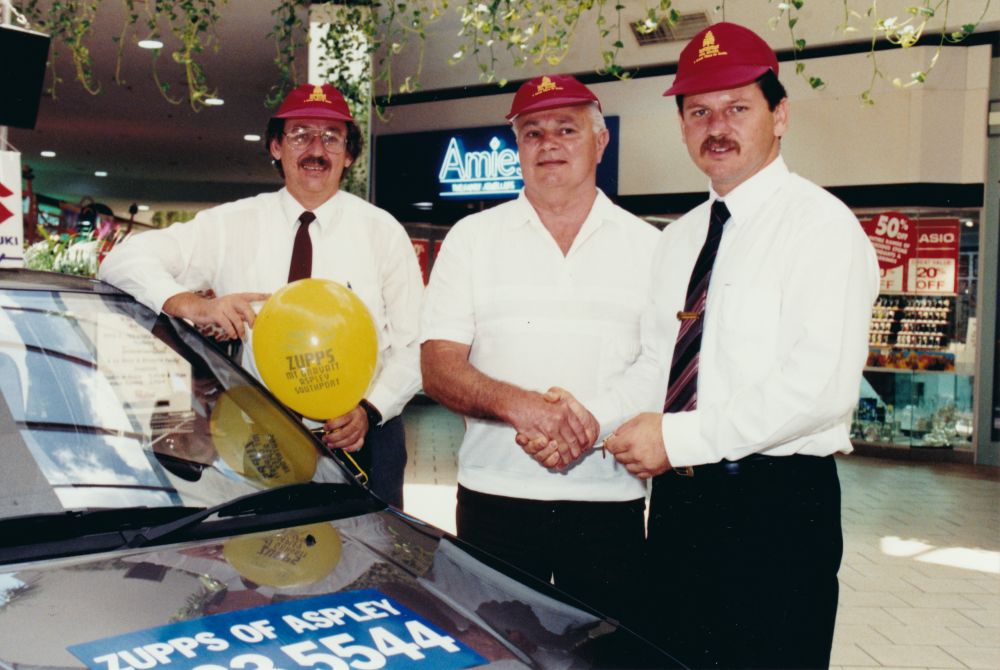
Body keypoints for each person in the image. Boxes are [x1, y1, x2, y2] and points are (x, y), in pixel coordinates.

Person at [602, 22, 879, 669]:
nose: (715, 126)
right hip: (679, 504)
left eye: (737, 108)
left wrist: (675, 439)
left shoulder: (821, 230)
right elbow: (657, 365)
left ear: (779, 115)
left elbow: (819, 388)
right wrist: (586, 418)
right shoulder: (679, 239)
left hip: (779, 509)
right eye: (698, 111)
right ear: (680, 125)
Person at [99, 83, 423, 508]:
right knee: (268, 563)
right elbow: (120, 261)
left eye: (331, 137)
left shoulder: (382, 233)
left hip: (364, 440)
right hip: (256, 438)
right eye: (300, 134)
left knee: (372, 567)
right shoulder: (232, 224)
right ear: (275, 146)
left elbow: (415, 343)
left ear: (349, 154)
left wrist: (371, 409)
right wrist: (191, 303)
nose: (316, 149)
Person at [419, 74, 659, 619]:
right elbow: (438, 367)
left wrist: (589, 424)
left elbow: (660, 365)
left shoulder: (651, 247)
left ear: (600, 141)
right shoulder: (471, 240)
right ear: (518, 149)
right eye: (532, 132)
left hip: (610, 502)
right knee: (496, 649)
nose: (549, 143)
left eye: (567, 129)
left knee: (604, 657)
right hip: (493, 498)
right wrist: (528, 408)